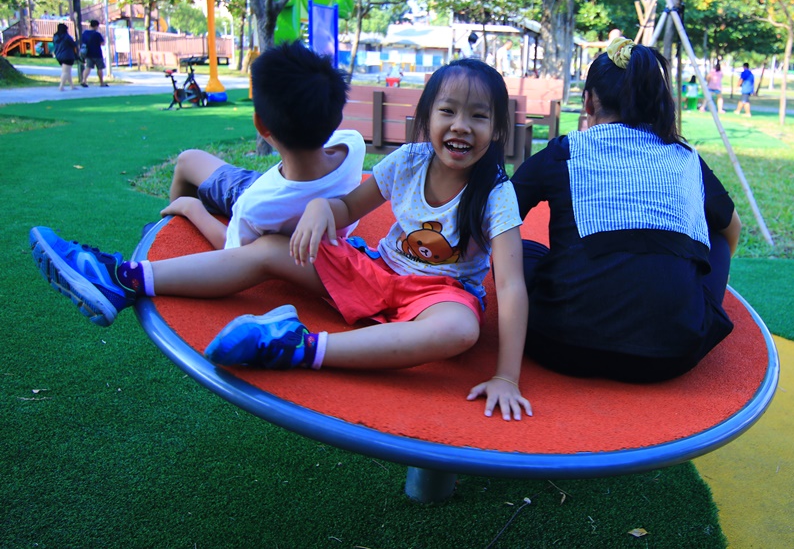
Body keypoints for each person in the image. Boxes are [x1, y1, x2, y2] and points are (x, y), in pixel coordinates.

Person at [29, 59, 532, 420]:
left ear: (497, 128)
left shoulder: (495, 194)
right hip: (375, 273)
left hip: (439, 298)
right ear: (427, 117)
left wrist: (506, 376)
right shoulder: (408, 161)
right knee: (271, 247)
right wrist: (320, 207)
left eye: (479, 116)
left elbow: (509, 288)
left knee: (460, 331)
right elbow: (346, 208)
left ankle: (298, 346)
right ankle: (121, 277)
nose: (460, 126)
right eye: (448, 111)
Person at [511, 37, 741, 383]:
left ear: (588, 101)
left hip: (558, 344)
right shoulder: (685, 156)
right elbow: (731, 228)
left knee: (525, 249)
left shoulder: (565, 151)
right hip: (672, 356)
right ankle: (683, 300)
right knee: (718, 242)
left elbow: (499, 215)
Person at [162, 42, 365, 250]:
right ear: (339, 113)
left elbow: (233, 252)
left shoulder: (254, 206)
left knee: (187, 160)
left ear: (260, 125)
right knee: (191, 160)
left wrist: (192, 208)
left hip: (258, 191)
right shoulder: (354, 145)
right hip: (277, 190)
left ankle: (167, 231)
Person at [79, 19, 108, 88]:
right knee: (99, 68)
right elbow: (102, 43)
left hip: (88, 53)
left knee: (88, 67)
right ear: (96, 26)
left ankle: (84, 81)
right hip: (97, 53)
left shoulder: (85, 33)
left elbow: (83, 41)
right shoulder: (97, 34)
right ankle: (101, 82)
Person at [51, 23, 78, 92]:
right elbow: (73, 44)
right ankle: (61, 86)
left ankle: (72, 86)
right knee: (65, 72)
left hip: (59, 55)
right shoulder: (67, 37)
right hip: (67, 55)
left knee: (68, 71)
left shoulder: (55, 36)